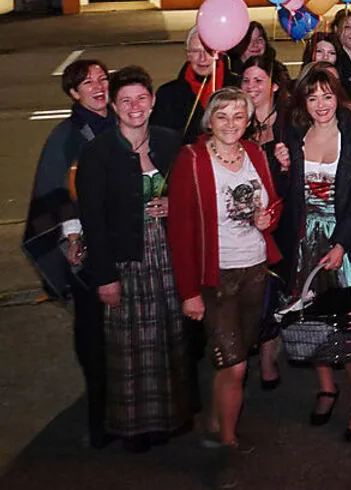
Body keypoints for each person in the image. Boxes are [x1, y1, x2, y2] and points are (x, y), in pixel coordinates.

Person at [168, 87, 282, 472]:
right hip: (216, 278)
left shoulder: (255, 154)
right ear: (209, 120)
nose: (231, 124)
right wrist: (189, 293)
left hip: (255, 270)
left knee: (235, 357)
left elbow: (272, 205)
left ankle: (215, 421)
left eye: (238, 116)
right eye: (222, 116)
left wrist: (268, 219)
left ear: (248, 121)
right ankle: (227, 446)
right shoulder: (192, 159)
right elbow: (180, 231)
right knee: (235, 365)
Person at [76, 66, 190, 453]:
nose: (134, 106)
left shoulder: (170, 142)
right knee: (131, 347)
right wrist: (104, 277)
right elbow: (92, 220)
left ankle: (168, 419)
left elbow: (191, 193)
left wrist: (173, 204)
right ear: (114, 106)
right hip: (125, 260)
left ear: (153, 101)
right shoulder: (99, 153)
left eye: (141, 98)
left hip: (167, 256)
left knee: (168, 339)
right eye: (125, 100)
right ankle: (133, 428)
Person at [277, 66, 351, 442]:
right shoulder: (293, 134)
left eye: (327, 95)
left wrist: (341, 245)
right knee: (310, 317)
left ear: (338, 97)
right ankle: (326, 387)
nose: (321, 104)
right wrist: (281, 166)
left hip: (342, 238)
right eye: (312, 97)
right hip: (304, 238)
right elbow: (283, 192)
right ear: (303, 102)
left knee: (346, 322)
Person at [25, 59, 114, 448]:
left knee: (130, 333)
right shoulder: (64, 137)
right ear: (74, 93)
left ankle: (129, 409)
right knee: (92, 333)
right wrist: (71, 238)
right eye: (87, 83)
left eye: (102, 79)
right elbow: (54, 195)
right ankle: (98, 417)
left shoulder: (126, 122)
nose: (98, 86)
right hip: (87, 250)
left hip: (129, 245)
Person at [240, 56, 292, 390]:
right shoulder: (235, 120)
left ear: (273, 85)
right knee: (246, 291)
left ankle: (268, 358)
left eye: (259, 80)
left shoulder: (289, 121)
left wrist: (287, 165)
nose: (251, 87)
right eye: (246, 80)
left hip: (280, 221)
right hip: (242, 222)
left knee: (273, 291)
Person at [151, 26, 238, 144]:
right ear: (188, 55)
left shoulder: (239, 88)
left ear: (219, 54)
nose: (202, 58)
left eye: (209, 51)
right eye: (196, 51)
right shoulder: (167, 94)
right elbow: (159, 140)